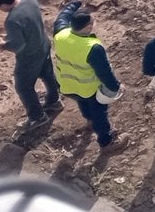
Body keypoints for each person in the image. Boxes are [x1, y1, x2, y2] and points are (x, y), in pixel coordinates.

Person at [52, 10, 125, 152]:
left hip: (67, 84)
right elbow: (104, 73)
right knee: (99, 113)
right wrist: (116, 87)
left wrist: (75, 3)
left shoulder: (60, 34)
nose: (94, 23)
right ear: (87, 27)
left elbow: (61, 17)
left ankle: (89, 120)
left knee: (82, 102)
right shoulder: (92, 47)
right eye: (92, 21)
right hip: (89, 89)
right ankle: (106, 141)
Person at [0, 0, 62, 127]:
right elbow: (29, 22)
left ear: (4, 5)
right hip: (43, 44)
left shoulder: (12, 20)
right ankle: (54, 102)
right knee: (48, 75)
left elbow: (18, 45)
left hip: (30, 56)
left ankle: (38, 117)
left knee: (23, 87)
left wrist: (3, 45)